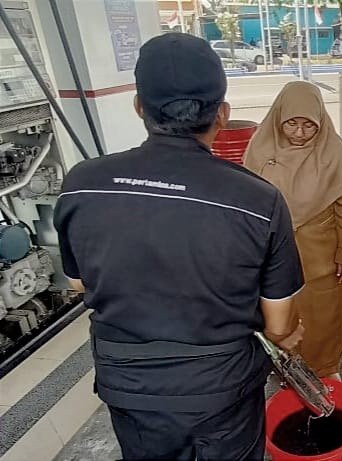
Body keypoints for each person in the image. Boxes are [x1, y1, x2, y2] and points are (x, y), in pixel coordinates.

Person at [52, 33, 305, 460]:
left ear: (139, 107)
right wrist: (291, 334)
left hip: (130, 386)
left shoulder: (81, 184)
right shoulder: (257, 201)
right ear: (222, 114)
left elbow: (79, 284)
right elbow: (279, 326)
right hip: (222, 389)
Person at [244, 81, 342, 382]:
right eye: (291, 124)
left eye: (308, 125)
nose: (299, 133)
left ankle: (326, 366)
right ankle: (285, 366)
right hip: (273, 251)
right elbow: (248, 206)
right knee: (280, 311)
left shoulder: (332, 150)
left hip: (321, 251)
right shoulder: (260, 147)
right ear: (279, 118)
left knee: (324, 313)